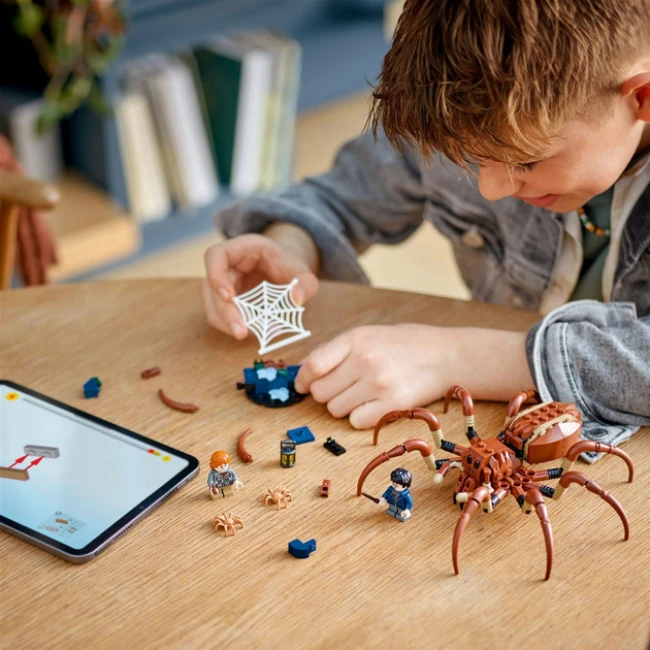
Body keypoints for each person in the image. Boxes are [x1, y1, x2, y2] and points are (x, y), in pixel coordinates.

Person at [202, 0, 650, 455]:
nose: (490, 187)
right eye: (470, 157)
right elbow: (342, 192)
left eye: (526, 159)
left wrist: (457, 358)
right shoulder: (459, 102)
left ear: (642, 97)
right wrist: (288, 244)